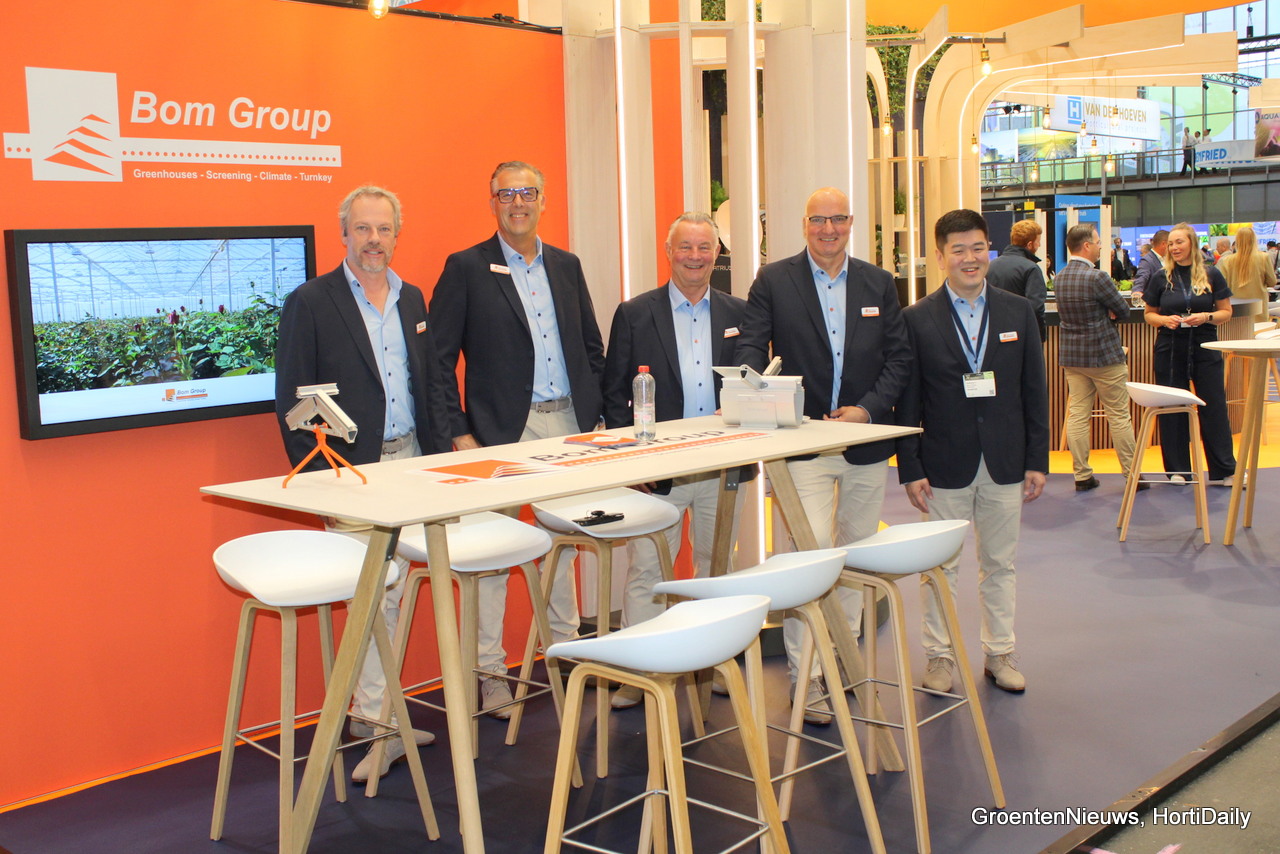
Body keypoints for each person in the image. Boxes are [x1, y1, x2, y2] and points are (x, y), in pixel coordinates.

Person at [274, 185, 453, 782]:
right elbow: (293, 400)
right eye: (362, 229)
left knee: (392, 596)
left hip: (411, 465)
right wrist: (321, 482)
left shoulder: (412, 298)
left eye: (383, 229)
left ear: (397, 235)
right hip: (351, 473)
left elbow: (431, 385)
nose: (373, 240)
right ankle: (379, 727)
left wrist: (441, 463)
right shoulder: (310, 302)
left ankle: (374, 716)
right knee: (374, 598)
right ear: (344, 234)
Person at [429, 160, 606, 718]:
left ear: (542, 200)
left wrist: (597, 414)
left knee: (562, 544)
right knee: (492, 556)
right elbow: (437, 360)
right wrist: (459, 431)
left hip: (567, 426)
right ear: (493, 203)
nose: (518, 203)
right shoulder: (465, 267)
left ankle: (567, 655)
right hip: (500, 434)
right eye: (506, 194)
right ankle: (490, 675)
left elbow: (591, 345)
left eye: (527, 192)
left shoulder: (566, 265)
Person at [736, 186, 911, 724]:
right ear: (804, 224)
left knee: (855, 559)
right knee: (807, 559)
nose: (828, 229)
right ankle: (807, 678)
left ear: (850, 222)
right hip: (802, 443)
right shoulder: (773, 280)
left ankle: (846, 663)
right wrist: (756, 396)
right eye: (818, 220)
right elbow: (750, 348)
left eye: (837, 219)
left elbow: (899, 359)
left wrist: (868, 410)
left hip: (864, 442)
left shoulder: (879, 282)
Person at [600, 211, 752, 709]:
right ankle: (640, 671)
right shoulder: (634, 313)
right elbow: (613, 393)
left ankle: (714, 664)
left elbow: (756, 384)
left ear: (716, 254)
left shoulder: (740, 313)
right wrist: (631, 466)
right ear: (668, 252)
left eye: (704, 247)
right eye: (685, 247)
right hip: (656, 471)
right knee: (647, 570)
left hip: (721, 467)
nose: (694, 256)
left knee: (718, 568)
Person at [895, 208, 1048, 694]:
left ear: (989, 251)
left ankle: (999, 652)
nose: (970, 258)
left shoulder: (1017, 312)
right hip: (943, 463)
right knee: (939, 568)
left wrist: (1037, 459)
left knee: (1000, 564)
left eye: (978, 248)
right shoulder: (916, 319)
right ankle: (939, 656)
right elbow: (908, 400)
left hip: (1005, 459)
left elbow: (1034, 389)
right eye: (958, 249)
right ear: (940, 257)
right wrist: (910, 466)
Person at [1142, 222, 1238, 485]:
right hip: (1170, 346)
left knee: (1213, 406)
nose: (1174, 247)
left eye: (1179, 242)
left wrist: (1206, 316)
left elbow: (1226, 312)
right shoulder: (1160, 277)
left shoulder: (1212, 274)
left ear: (1192, 244)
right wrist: (1164, 320)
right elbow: (1149, 314)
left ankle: (1225, 470)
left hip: (1205, 345)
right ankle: (1178, 471)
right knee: (1173, 407)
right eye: (1171, 243)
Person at [1055, 223, 1140, 493]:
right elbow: (1123, 311)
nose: (1101, 246)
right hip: (1104, 356)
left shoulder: (1060, 278)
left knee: (1078, 414)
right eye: (1098, 242)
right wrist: (1108, 313)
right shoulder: (1098, 277)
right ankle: (1132, 474)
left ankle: (1082, 475)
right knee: (1118, 415)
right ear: (1086, 246)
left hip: (1073, 357)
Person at [986, 219, 1048, 341]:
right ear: (1029, 244)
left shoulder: (990, 266)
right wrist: (1039, 337)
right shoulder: (1031, 268)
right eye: (1038, 242)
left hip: (994, 333)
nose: (1039, 245)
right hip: (1022, 335)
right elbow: (1035, 308)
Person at [1216, 226, 1276, 322]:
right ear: (1254, 240)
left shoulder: (1226, 260)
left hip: (1235, 309)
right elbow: (1272, 282)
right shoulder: (1264, 257)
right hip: (1258, 309)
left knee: (1238, 330)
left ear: (1237, 241)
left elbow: (1221, 285)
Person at [1131, 229, 1168, 301]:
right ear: (1164, 244)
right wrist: (1137, 291)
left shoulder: (1166, 259)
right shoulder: (1147, 260)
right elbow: (1142, 277)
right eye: (1170, 244)